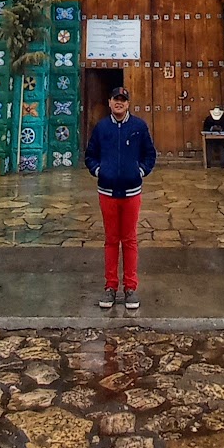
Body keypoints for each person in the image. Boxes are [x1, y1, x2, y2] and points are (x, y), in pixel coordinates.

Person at [85, 85, 156, 312]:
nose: (119, 103)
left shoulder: (138, 127)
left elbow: (150, 154)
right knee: (110, 239)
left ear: (128, 104)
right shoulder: (101, 127)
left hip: (131, 191)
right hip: (107, 191)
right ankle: (110, 286)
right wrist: (99, 170)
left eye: (123, 100)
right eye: (115, 99)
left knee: (130, 239)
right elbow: (90, 155)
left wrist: (140, 171)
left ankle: (130, 287)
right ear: (109, 102)